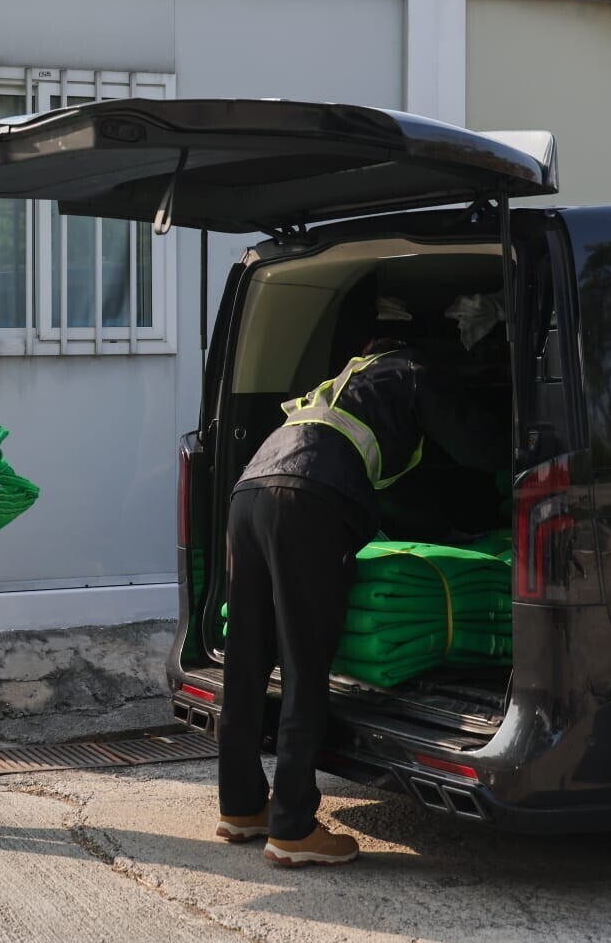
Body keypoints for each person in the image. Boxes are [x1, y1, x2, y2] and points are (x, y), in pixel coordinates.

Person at [215, 331, 505, 868]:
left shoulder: (345, 383)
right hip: (306, 499)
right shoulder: (415, 369)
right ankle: (293, 829)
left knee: (247, 659)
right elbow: (478, 448)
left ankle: (242, 807)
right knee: (306, 662)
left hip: (250, 489)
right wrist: (522, 455)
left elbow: (393, 494)